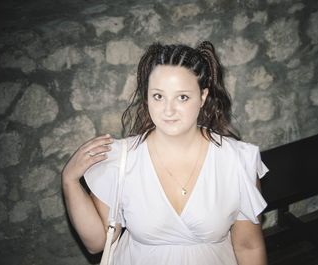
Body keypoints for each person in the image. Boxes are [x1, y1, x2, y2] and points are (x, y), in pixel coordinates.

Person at [62, 41, 269, 265]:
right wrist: (69, 180)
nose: (168, 110)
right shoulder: (121, 160)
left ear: (202, 96)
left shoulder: (235, 161)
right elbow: (97, 243)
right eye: (158, 96)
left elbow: (249, 245)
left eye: (182, 97)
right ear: (147, 97)